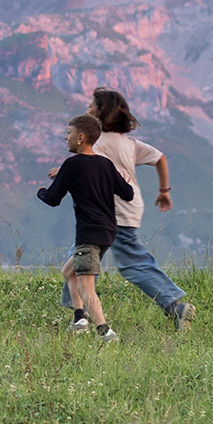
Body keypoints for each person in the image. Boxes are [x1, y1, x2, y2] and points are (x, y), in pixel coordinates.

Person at [71, 87, 191, 330]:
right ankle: (79, 313)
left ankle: (173, 306)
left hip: (110, 211)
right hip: (129, 207)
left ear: (101, 112)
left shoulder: (97, 143)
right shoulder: (129, 143)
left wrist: (64, 173)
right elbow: (160, 158)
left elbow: (84, 164)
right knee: (81, 258)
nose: (87, 108)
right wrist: (164, 191)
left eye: (91, 105)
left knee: (124, 262)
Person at [37, 113, 135, 342]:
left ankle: (105, 332)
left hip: (88, 232)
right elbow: (128, 193)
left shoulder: (72, 165)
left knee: (85, 286)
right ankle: (79, 319)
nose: (66, 137)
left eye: (68, 133)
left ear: (80, 137)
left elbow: (52, 198)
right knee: (69, 271)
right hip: (108, 232)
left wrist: (40, 191)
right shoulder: (105, 164)